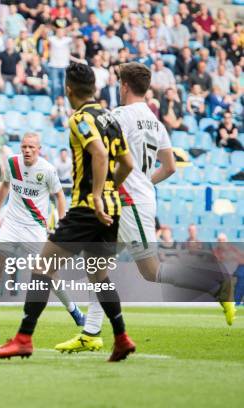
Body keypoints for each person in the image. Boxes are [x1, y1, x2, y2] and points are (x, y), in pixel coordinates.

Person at [56, 63, 234, 354]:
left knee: (150, 270)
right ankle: (91, 332)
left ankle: (216, 283)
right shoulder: (156, 121)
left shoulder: (118, 116)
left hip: (128, 201)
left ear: (124, 86)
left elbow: (101, 153)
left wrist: (128, 185)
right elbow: (171, 166)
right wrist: (145, 182)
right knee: (96, 265)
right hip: (137, 198)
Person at [0, 62, 135, 362]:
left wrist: (94, 196)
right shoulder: (110, 117)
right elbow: (127, 163)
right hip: (112, 209)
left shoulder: (79, 119)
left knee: (42, 269)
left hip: (85, 209)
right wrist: (107, 192)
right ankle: (121, 337)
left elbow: (100, 152)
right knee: (98, 275)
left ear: (68, 89)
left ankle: (24, 338)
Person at [0, 133, 84, 326]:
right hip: (11, 225)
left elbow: (60, 197)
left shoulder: (47, 170)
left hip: (34, 229)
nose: (27, 150)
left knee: (49, 273)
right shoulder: (13, 163)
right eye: (24, 147)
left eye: (31, 147)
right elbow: (5, 185)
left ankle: (75, 311)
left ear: (39, 149)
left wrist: (61, 225)